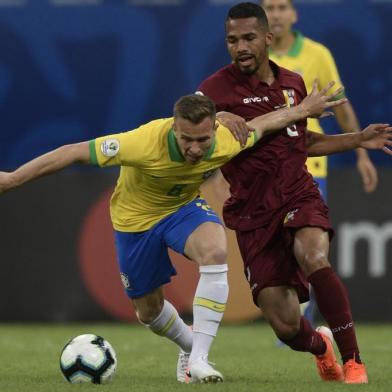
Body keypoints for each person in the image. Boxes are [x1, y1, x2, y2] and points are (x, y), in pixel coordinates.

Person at [0, 93, 346, 384]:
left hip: (183, 209)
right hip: (135, 222)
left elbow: (263, 124)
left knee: (214, 249)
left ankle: (199, 359)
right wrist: (14, 179)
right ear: (174, 128)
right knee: (148, 312)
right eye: (187, 140)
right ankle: (188, 344)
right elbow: (72, 152)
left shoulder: (226, 138)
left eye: (203, 139)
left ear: (214, 128)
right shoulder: (141, 142)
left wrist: (302, 110)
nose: (196, 148)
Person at [196, 2, 391, 384]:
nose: (241, 47)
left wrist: (357, 140)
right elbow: (190, 131)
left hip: (298, 191)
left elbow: (302, 142)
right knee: (285, 325)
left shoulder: (293, 83)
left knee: (313, 254)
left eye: (249, 38)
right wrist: (217, 117)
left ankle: (354, 361)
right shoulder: (214, 90)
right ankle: (321, 347)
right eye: (232, 40)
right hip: (253, 211)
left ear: (268, 39)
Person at [261, 0, 378, 328]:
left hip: (309, 164)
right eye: (269, 7)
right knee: (275, 248)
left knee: (307, 243)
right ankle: (291, 316)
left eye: (282, 7)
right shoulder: (255, 58)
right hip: (268, 165)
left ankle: (304, 316)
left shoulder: (317, 54)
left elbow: (340, 106)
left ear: (294, 14)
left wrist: (361, 153)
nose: (276, 14)